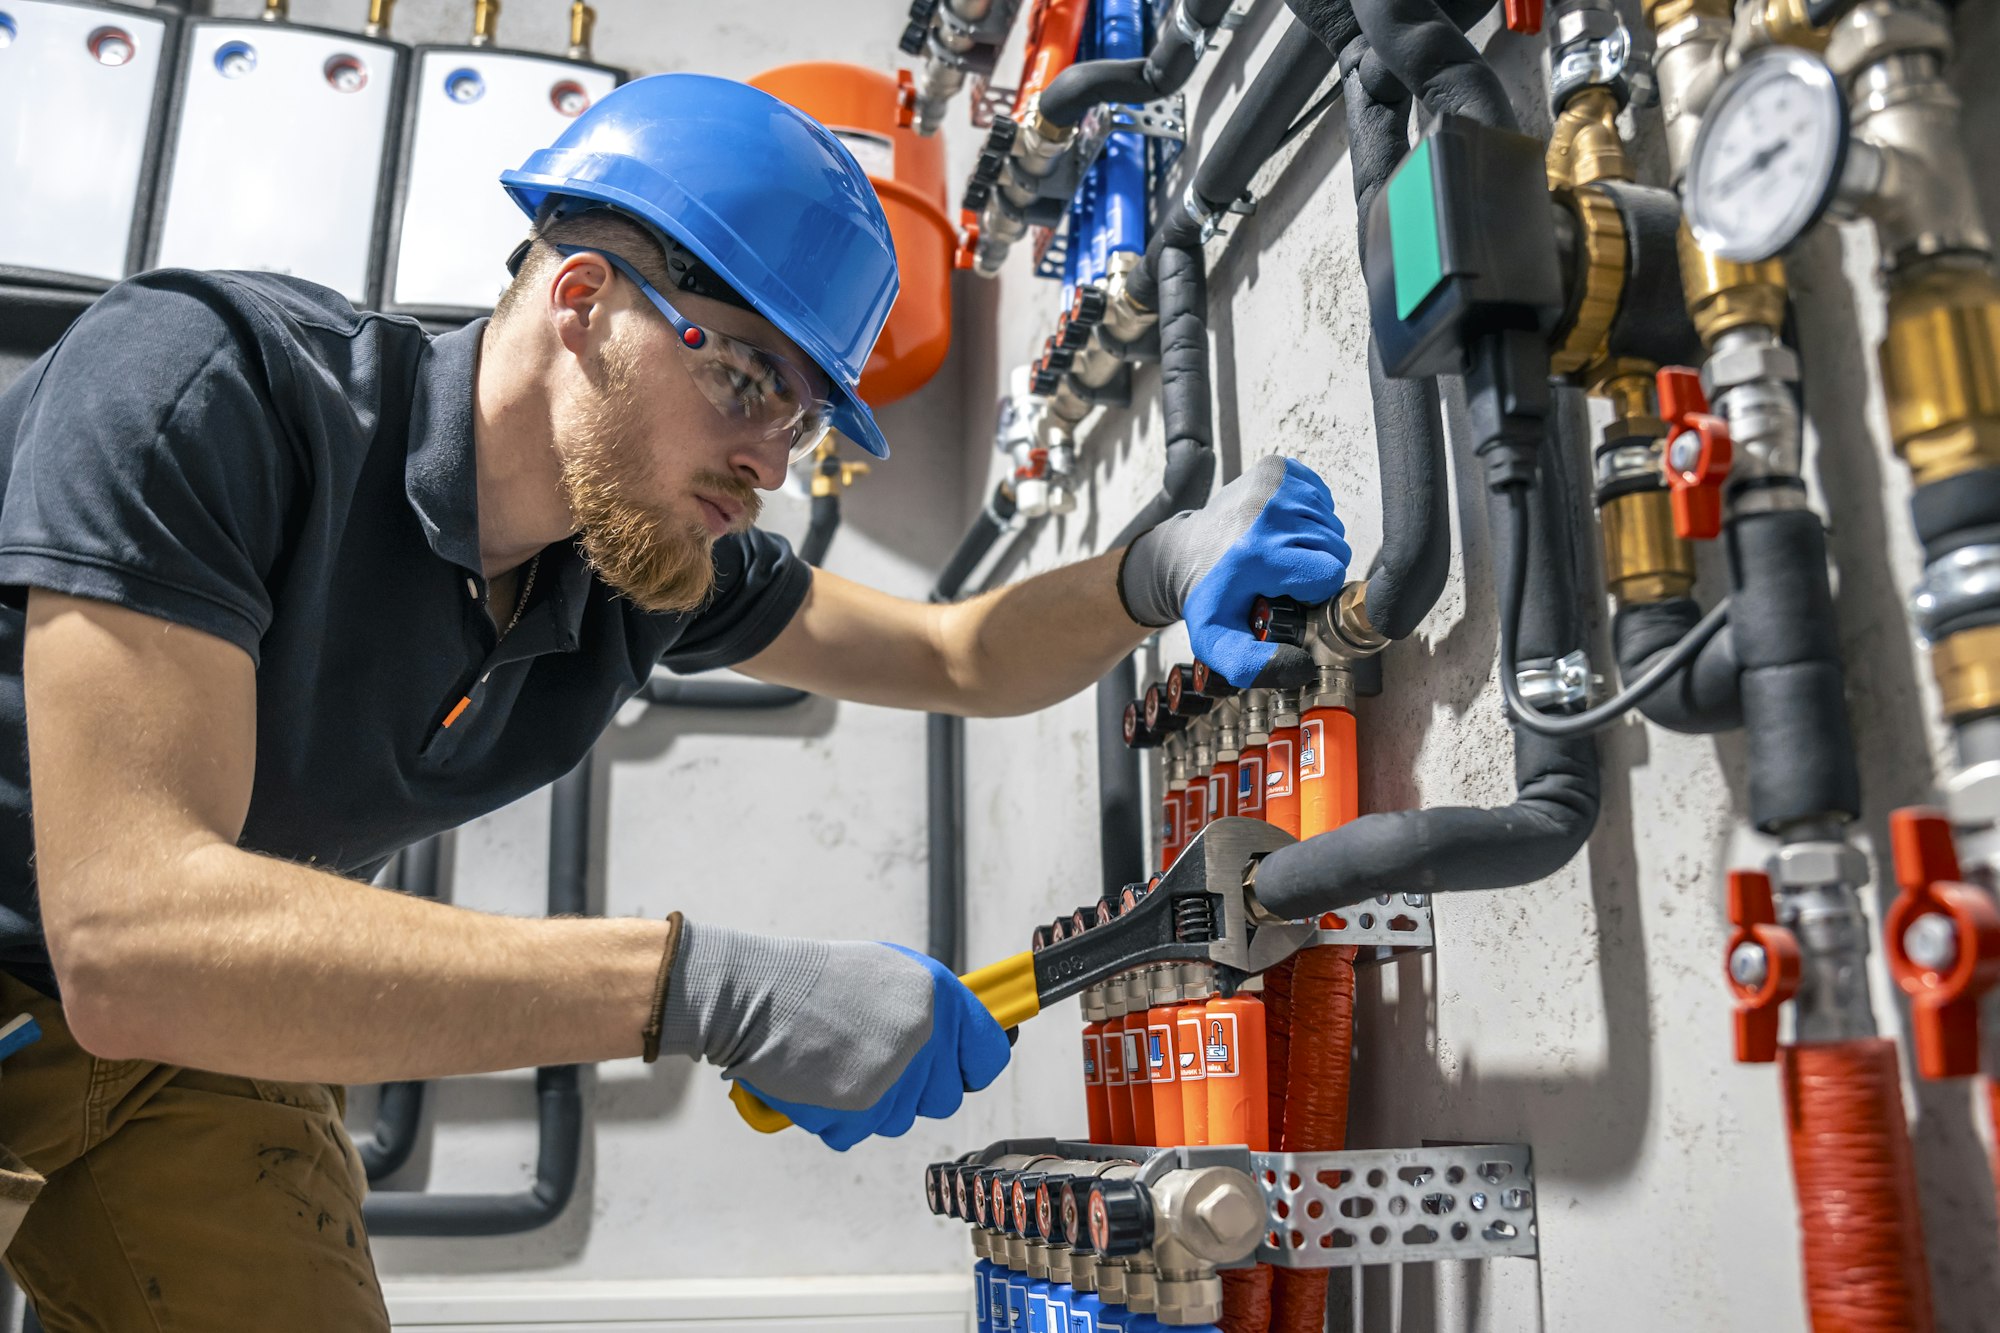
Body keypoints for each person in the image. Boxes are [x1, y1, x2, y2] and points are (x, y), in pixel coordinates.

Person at [0, 73, 1349, 1328]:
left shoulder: (636, 564)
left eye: (805, 416)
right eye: (746, 378)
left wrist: (1155, 568)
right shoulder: (206, 389)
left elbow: (956, 656)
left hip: (210, 1037)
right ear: (581, 296)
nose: (769, 456)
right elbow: (136, 934)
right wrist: (708, 986)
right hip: (117, 962)